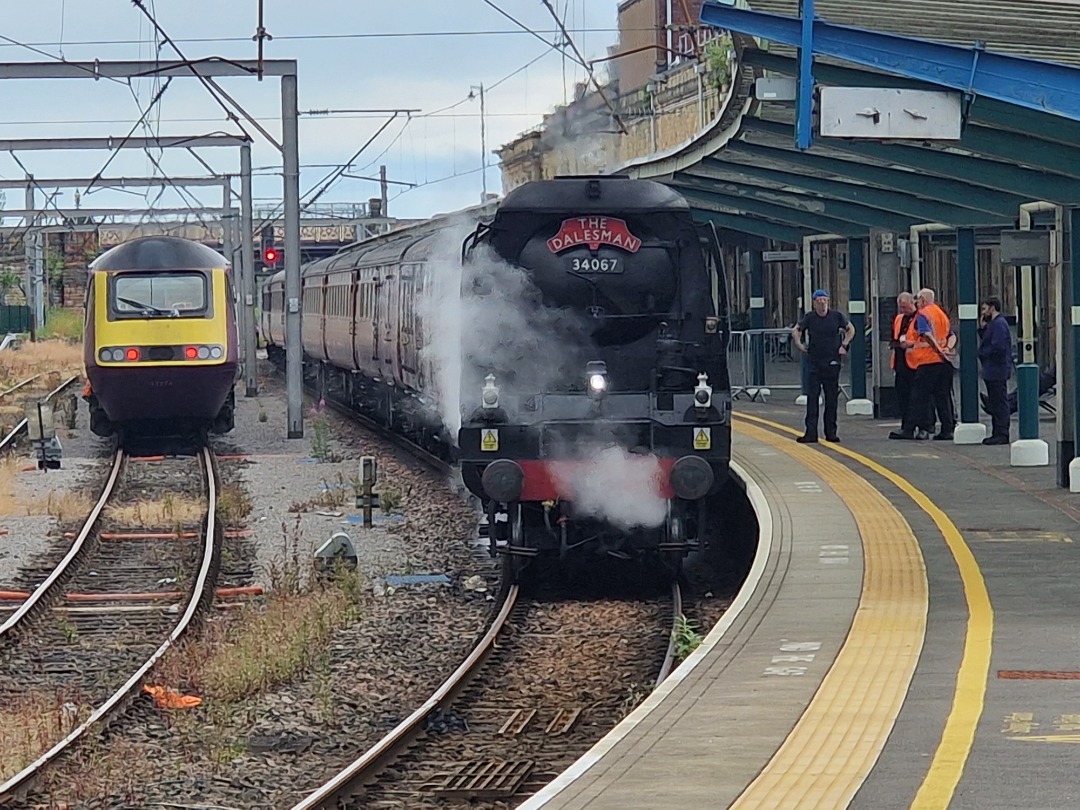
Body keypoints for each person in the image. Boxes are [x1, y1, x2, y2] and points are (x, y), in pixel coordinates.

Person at [890, 288, 954, 441]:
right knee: (942, 397)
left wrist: (939, 350)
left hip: (928, 361)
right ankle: (947, 429)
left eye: (918, 300)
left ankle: (909, 429)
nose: (917, 303)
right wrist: (947, 349)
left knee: (919, 397)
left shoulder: (923, 314)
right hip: (943, 362)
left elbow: (926, 334)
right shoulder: (941, 314)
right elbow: (950, 335)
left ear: (923, 301)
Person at [792, 289, 856, 443]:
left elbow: (851, 329)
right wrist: (799, 345)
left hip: (832, 361)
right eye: (819, 300)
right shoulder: (810, 318)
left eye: (824, 300)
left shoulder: (836, 316)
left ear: (828, 301)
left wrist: (844, 345)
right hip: (814, 362)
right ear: (814, 303)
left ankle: (831, 432)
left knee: (831, 399)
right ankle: (811, 433)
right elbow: (796, 330)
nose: (822, 303)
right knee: (812, 398)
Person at [977, 295, 1012, 445]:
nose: (983, 313)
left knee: (999, 402)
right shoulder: (994, 324)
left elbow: (997, 347)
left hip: (996, 369)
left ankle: (1001, 433)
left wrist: (983, 353)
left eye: (984, 309)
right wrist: (982, 328)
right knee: (996, 401)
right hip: (993, 369)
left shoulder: (999, 324)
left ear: (992, 308)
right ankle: (997, 432)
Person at [890, 292, 917, 425]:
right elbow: (895, 335)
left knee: (917, 397)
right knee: (902, 395)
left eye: (905, 307)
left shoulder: (919, 317)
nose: (903, 310)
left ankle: (922, 425)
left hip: (916, 363)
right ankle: (906, 424)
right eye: (901, 307)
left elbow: (923, 339)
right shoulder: (899, 318)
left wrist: (910, 344)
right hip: (900, 362)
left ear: (913, 303)